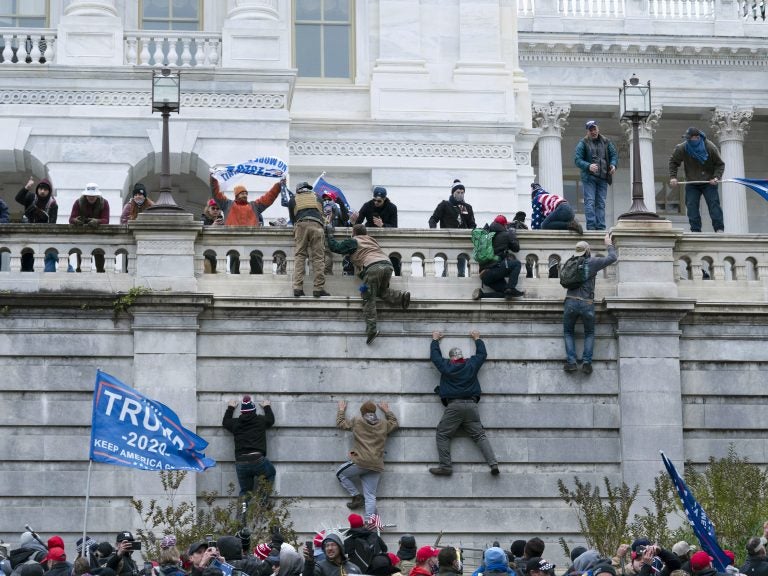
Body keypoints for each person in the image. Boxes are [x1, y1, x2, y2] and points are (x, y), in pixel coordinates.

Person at [428, 330, 499, 476]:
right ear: (461, 356)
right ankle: (493, 464)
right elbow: (482, 355)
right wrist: (477, 339)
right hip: (472, 406)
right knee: (480, 436)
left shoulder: (447, 366)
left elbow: (435, 358)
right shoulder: (471, 364)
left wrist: (435, 340)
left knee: (442, 434)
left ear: (452, 357)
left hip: (454, 406)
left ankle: (446, 466)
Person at [326, 224, 411, 344]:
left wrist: (329, 235)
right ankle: (401, 297)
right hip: (387, 265)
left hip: (372, 268)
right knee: (380, 291)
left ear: (354, 232)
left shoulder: (354, 241)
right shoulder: (372, 240)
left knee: (368, 297)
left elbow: (336, 247)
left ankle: (371, 329)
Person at [562, 233, 617, 374]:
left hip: (570, 301)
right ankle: (587, 363)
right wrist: (609, 244)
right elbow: (612, 258)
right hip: (587, 303)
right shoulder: (592, 262)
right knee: (589, 333)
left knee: (568, 332)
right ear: (587, 251)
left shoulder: (569, 262)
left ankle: (571, 362)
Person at [336, 400, 399, 518]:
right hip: (376, 465)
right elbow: (395, 423)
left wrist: (341, 410)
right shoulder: (384, 424)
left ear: (362, 412)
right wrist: (387, 411)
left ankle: (356, 496)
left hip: (361, 462)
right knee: (370, 496)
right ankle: (369, 523)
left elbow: (341, 423)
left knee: (340, 473)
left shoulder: (357, 421)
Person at [669, 127, 726, 233]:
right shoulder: (682, 148)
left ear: (697, 137)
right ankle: (695, 230)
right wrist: (673, 177)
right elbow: (673, 162)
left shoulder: (710, 147)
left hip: (709, 182)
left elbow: (720, 164)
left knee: (713, 204)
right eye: (687, 138)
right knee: (691, 205)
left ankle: (719, 228)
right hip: (692, 182)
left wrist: (716, 177)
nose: (688, 140)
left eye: (690, 138)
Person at [222, 395, 277, 500]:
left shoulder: (236, 423)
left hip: (241, 462)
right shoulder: (260, 421)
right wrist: (266, 407)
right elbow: (271, 420)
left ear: (242, 412)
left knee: (245, 492)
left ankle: (242, 515)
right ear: (254, 410)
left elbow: (225, 422)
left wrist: (230, 408)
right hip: (258, 460)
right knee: (270, 473)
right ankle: (261, 503)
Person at [574, 120, 618, 231]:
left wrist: (613, 165)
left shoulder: (606, 141)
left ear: (598, 129)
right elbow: (577, 160)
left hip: (603, 177)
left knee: (601, 203)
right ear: (587, 131)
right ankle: (591, 227)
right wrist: (588, 166)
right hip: (589, 178)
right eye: (590, 130)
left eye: (594, 129)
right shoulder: (583, 143)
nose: (593, 131)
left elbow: (614, 155)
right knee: (590, 202)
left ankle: (601, 227)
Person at [288, 181, 329, 298]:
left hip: (301, 225)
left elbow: (292, 218)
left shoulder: (293, 199)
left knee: (300, 256)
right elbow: (321, 214)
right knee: (318, 258)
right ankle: (318, 288)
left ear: (298, 190)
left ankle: (297, 288)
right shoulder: (317, 197)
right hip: (317, 225)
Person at [429, 179, 475, 277]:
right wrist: (434, 232)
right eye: (458, 192)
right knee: (449, 267)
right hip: (448, 240)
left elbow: (472, 224)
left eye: (462, 193)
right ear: (453, 192)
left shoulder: (466, 207)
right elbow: (433, 219)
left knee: (461, 270)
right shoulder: (445, 205)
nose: (460, 194)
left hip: (463, 241)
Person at [473, 215, 525, 300]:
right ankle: (511, 288)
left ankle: (481, 295)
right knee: (516, 264)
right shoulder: (506, 234)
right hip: (494, 270)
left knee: (504, 293)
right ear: (504, 225)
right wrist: (512, 234)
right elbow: (516, 248)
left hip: (484, 275)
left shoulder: (486, 234)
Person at [209, 175, 282, 227]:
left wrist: (278, 186)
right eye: (242, 193)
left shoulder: (255, 206)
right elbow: (216, 193)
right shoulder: (227, 204)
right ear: (237, 195)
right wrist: (213, 179)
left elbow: (269, 197)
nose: (245, 195)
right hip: (231, 240)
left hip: (250, 241)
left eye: (246, 194)